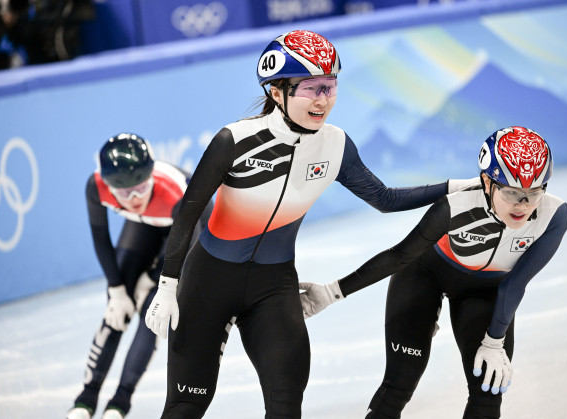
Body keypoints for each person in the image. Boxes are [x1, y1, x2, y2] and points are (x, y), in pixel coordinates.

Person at [143, 29, 473, 419]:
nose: (323, 100)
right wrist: (168, 284)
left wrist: (453, 187)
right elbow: (188, 211)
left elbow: (383, 199)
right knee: (186, 405)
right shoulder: (235, 139)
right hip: (207, 283)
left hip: (273, 288)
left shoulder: (335, 145)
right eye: (312, 88)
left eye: (330, 86)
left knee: (286, 407)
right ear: (276, 92)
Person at [299, 126, 567, 418]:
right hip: (423, 275)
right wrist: (332, 292)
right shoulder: (455, 205)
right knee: (399, 384)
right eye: (512, 193)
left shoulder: (554, 216)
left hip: (486, 291)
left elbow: (515, 284)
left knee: (488, 394)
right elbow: (400, 256)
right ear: (487, 182)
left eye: (534, 193)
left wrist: (494, 341)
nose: (524, 206)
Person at [66, 133, 212, 419]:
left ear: (152, 178)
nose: (133, 199)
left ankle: (120, 402)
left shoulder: (177, 192)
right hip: (144, 228)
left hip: (185, 233)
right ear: (109, 186)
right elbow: (100, 237)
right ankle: (87, 396)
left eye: (140, 188)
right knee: (115, 312)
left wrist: (159, 282)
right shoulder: (96, 186)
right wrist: (116, 289)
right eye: (123, 194)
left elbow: (188, 255)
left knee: (153, 314)